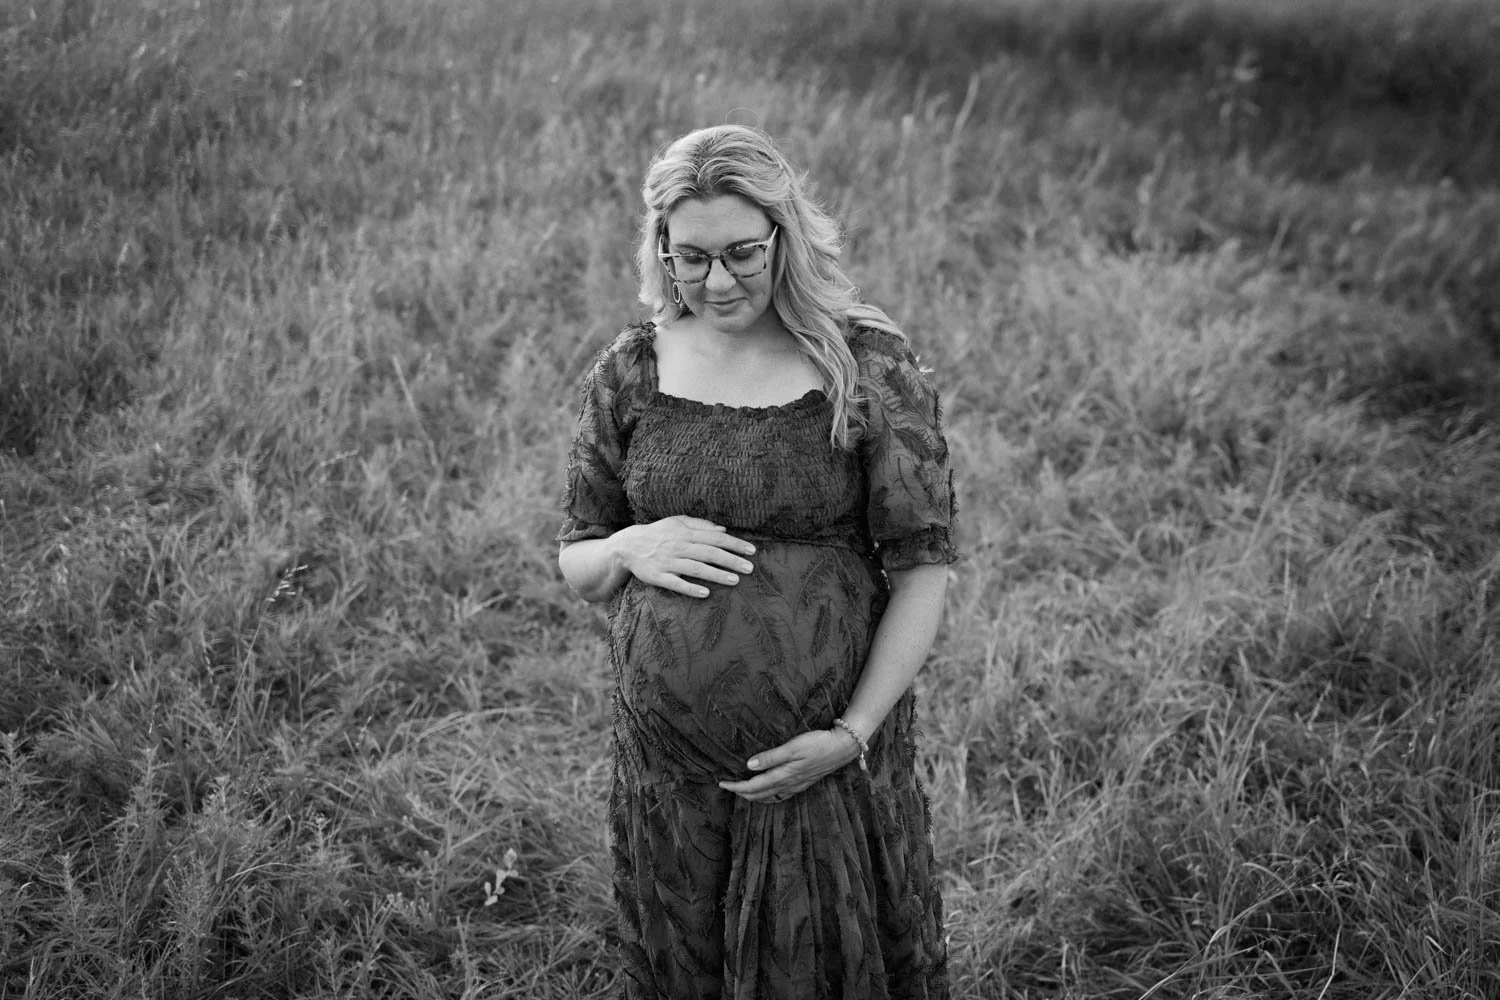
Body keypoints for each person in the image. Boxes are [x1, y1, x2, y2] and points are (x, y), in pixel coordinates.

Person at [556, 123, 957, 1000]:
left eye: (742, 253)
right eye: (691, 258)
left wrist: (850, 736)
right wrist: (628, 544)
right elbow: (578, 562)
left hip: (819, 768)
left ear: (786, 234)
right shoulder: (632, 370)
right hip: (670, 779)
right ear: (662, 248)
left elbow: (924, 569)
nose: (717, 281)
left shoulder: (861, 361)